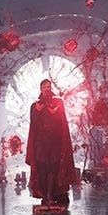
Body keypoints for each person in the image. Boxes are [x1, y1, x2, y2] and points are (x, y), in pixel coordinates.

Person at [26, 78, 78, 207]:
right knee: (42, 169)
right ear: (41, 89)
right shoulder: (35, 105)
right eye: (44, 87)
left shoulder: (58, 102)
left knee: (55, 168)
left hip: (55, 142)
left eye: (48, 87)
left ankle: (55, 194)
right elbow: (33, 125)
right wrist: (37, 112)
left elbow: (62, 123)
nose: (47, 89)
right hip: (40, 143)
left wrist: (55, 113)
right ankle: (45, 196)